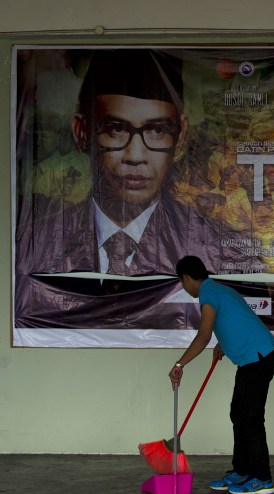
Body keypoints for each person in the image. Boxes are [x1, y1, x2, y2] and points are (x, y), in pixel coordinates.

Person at [15, 49, 256, 330]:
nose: (135, 155)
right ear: (82, 132)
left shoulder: (224, 249)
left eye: (157, 131)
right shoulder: (36, 248)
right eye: (116, 129)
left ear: (180, 136)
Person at [170, 255, 274, 494]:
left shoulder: (208, 294)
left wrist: (180, 364)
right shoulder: (219, 289)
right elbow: (235, 320)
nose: (184, 287)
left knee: (250, 417)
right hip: (256, 357)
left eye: (182, 281)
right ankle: (241, 471)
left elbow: (203, 336)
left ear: (187, 277)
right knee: (239, 413)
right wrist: (224, 343)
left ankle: (262, 478)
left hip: (259, 357)